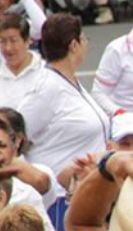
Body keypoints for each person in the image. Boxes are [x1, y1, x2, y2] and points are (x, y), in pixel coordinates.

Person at [15, 13, 109, 180]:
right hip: (60, 190)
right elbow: (15, 134)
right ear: (74, 45)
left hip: (87, 185)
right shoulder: (47, 88)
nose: (86, 44)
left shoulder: (69, 81)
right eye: (84, 39)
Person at [0, 14, 42, 106]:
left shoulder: (45, 72)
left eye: (13, 41)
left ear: (27, 41)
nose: (8, 48)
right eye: (3, 41)